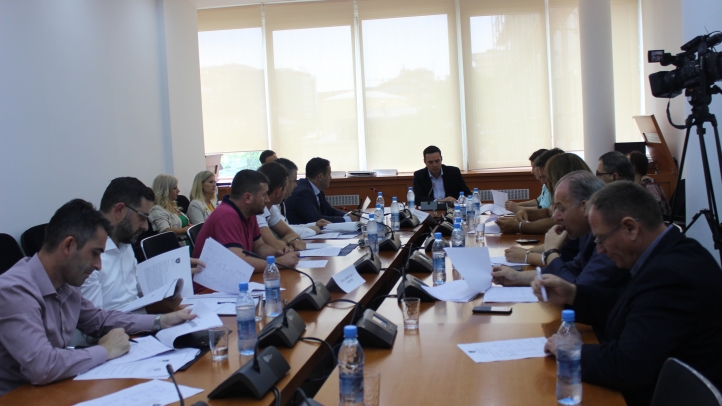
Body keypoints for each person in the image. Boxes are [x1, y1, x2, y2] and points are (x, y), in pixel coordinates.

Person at [533, 182, 722, 405]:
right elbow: (627, 306)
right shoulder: (669, 253)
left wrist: (569, 352)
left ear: (630, 228)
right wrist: (573, 294)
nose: (600, 250)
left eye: (601, 239)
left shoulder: (671, 275)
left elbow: (628, 365)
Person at [0, 199, 195, 395]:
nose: (99, 265)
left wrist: (160, 321)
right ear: (68, 245)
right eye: (94, 253)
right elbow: (42, 366)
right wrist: (106, 350)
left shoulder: (66, 283)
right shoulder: (13, 291)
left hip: (55, 389)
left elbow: (99, 320)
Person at [81, 177, 203, 313]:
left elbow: (140, 289)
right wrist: (154, 315)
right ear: (119, 210)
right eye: (142, 217)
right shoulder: (88, 256)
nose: (145, 227)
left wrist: (177, 270)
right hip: (123, 325)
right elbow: (95, 322)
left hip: (137, 321)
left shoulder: (125, 242)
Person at [492, 171, 629, 288]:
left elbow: (578, 289)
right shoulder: (587, 233)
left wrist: (551, 252)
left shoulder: (611, 238)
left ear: (584, 207)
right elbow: (572, 270)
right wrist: (517, 277)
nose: (556, 217)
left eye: (561, 209)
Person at [191, 169, 300, 281]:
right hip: (210, 286)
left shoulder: (249, 213)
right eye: (264, 195)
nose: (267, 200)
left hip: (233, 280)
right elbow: (238, 262)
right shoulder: (226, 215)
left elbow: (259, 247)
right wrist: (278, 263)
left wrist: (277, 254)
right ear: (247, 198)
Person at [498, 152, 587, 235]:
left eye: (547, 177)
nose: (544, 182)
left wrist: (519, 226)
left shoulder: (574, 194)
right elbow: (549, 212)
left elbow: (557, 222)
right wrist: (527, 213)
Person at [284, 157, 360, 224]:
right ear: (320, 177)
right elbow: (316, 219)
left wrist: (348, 215)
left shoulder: (317, 189)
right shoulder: (303, 193)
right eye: (329, 174)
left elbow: (329, 210)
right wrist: (348, 219)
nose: (331, 178)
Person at [256, 162, 305, 251]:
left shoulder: (269, 208)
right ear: (278, 191)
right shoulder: (257, 211)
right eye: (285, 187)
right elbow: (275, 246)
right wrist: (286, 240)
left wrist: (296, 240)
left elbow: (290, 233)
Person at [275, 158, 328, 238]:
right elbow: (285, 231)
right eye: (294, 181)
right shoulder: (269, 206)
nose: (295, 185)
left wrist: (314, 224)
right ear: (285, 181)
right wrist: (312, 230)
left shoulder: (280, 203)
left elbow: (287, 227)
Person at [149, 174, 191, 245]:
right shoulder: (157, 210)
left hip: (187, 243)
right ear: (165, 191)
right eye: (174, 188)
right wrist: (185, 229)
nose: (178, 190)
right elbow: (165, 231)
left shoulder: (172, 206)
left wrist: (190, 226)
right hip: (177, 246)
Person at [628, 151, 671, 216]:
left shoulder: (649, 183)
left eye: (628, 163)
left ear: (636, 166)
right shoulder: (635, 182)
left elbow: (657, 209)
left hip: (659, 220)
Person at [505, 148, 548, 213]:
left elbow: (544, 210)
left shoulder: (549, 184)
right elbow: (538, 201)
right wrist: (517, 205)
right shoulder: (545, 184)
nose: (532, 172)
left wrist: (518, 208)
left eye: (534, 167)